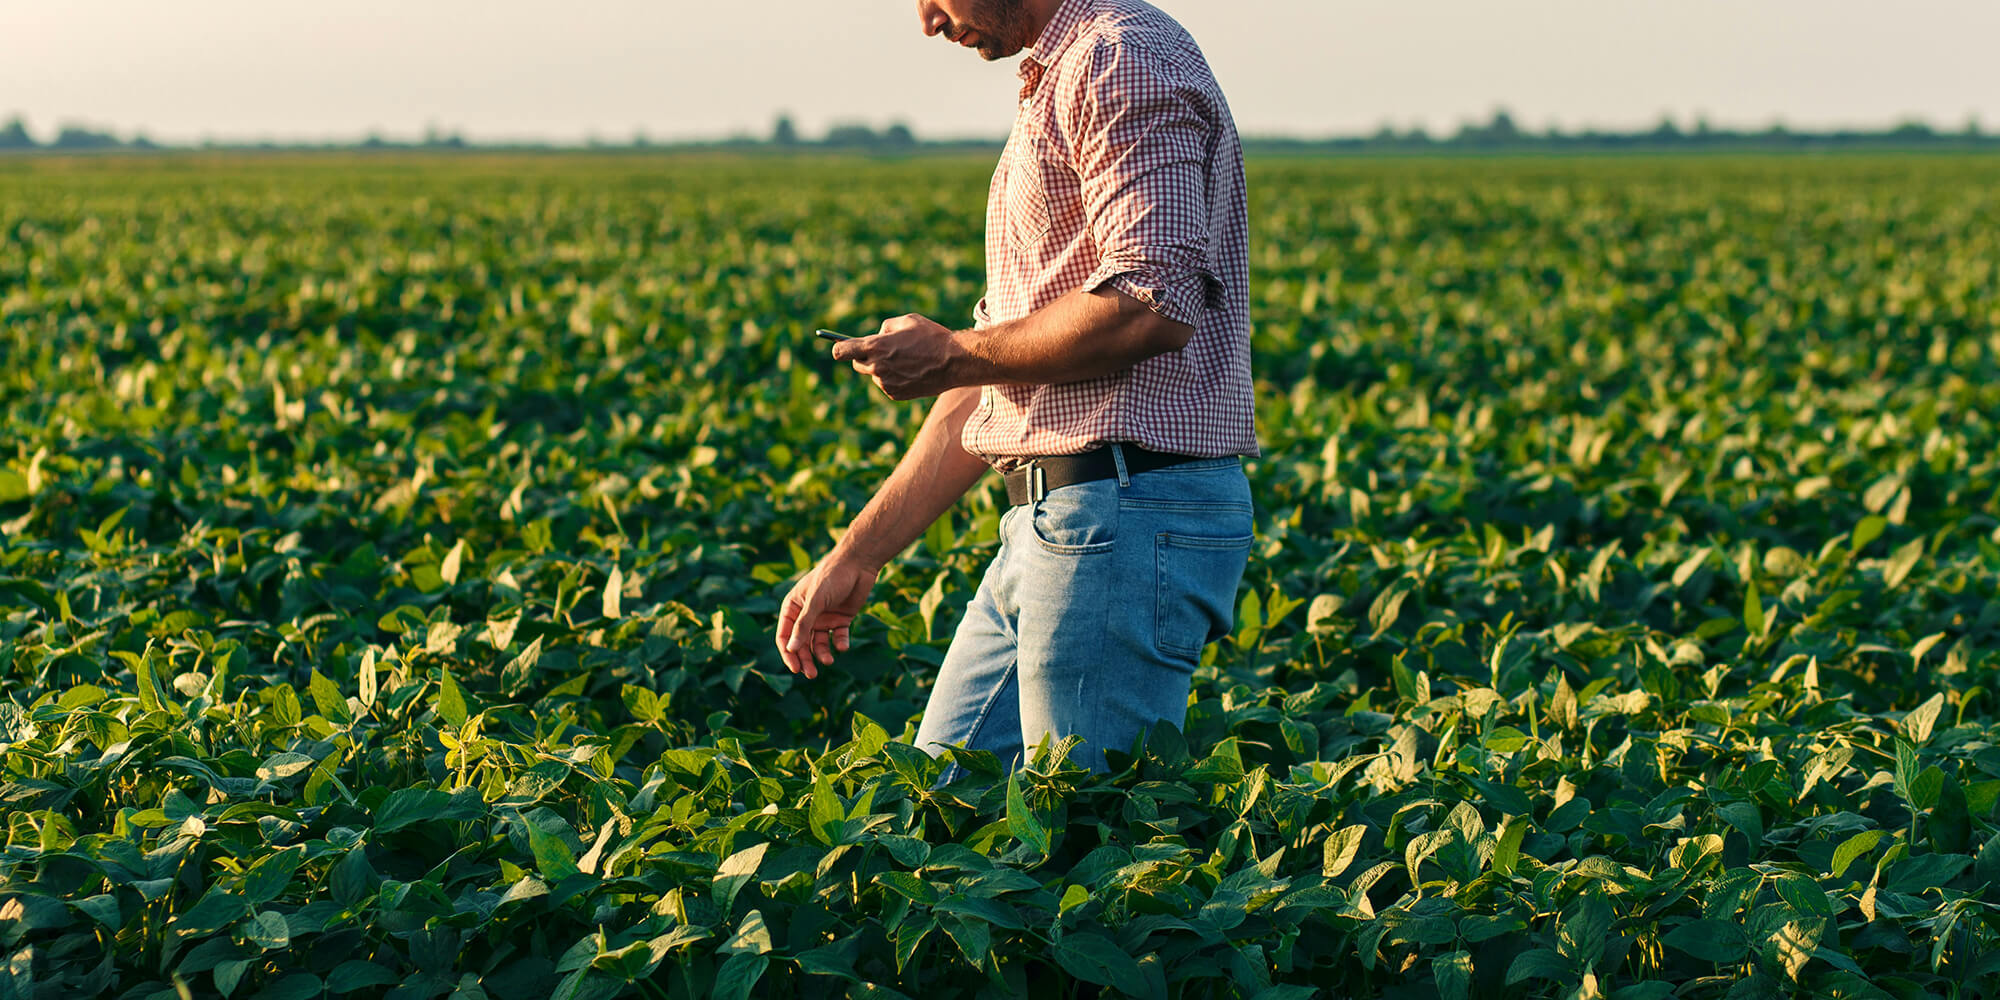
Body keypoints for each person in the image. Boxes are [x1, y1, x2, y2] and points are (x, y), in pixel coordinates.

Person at [774, 0, 1258, 783]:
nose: (928, 20)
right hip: (1065, 518)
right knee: (939, 801)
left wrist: (953, 354)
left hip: (1122, 508)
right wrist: (858, 553)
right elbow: (999, 373)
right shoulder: (1063, 73)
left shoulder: (1120, 59)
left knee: (1085, 826)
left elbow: (1151, 303)